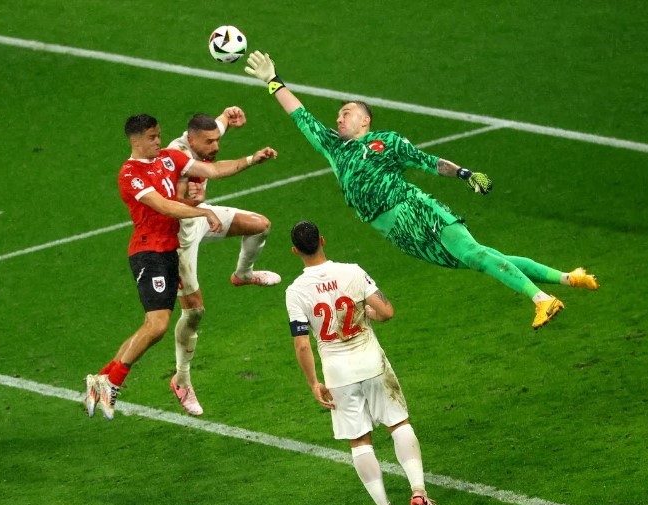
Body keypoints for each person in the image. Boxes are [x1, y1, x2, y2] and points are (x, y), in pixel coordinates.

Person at [245, 52, 599, 330]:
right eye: (338, 115)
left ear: (365, 121)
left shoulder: (386, 141)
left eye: (347, 113)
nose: (339, 118)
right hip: (399, 234)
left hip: (416, 210)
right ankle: (569, 278)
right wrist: (273, 81)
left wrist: (464, 173)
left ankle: (542, 299)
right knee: (479, 258)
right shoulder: (335, 149)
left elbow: (428, 162)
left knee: (475, 255)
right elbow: (301, 115)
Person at [83, 113, 277, 420]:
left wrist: (252, 158)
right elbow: (164, 206)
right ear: (135, 140)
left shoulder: (169, 158)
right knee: (159, 325)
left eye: (159, 135)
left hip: (169, 248)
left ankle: (104, 379)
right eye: (152, 137)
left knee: (154, 326)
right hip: (150, 252)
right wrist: (200, 210)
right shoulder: (130, 174)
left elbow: (213, 168)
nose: (158, 141)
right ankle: (119, 381)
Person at [285, 220, 448, 505]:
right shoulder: (353, 271)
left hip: (338, 374)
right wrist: (369, 314)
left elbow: (302, 344)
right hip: (372, 362)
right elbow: (386, 311)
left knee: (360, 441)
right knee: (398, 424)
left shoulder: (295, 291)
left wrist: (313, 383)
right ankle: (419, 491)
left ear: (295, 251)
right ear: (322, 240)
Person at [166, 106, 281, 415]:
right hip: (177, 238)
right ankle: (182, 380)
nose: (215, 146)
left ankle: (243, 274)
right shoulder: (176, 156)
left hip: (202, 218)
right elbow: (171, 203)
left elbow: (222, 122)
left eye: (217, 140)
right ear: (191, 139)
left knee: (261, 225)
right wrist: (252, 159)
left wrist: (230, 114)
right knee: (194, 312)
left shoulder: (204, 137)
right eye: (209, 142)